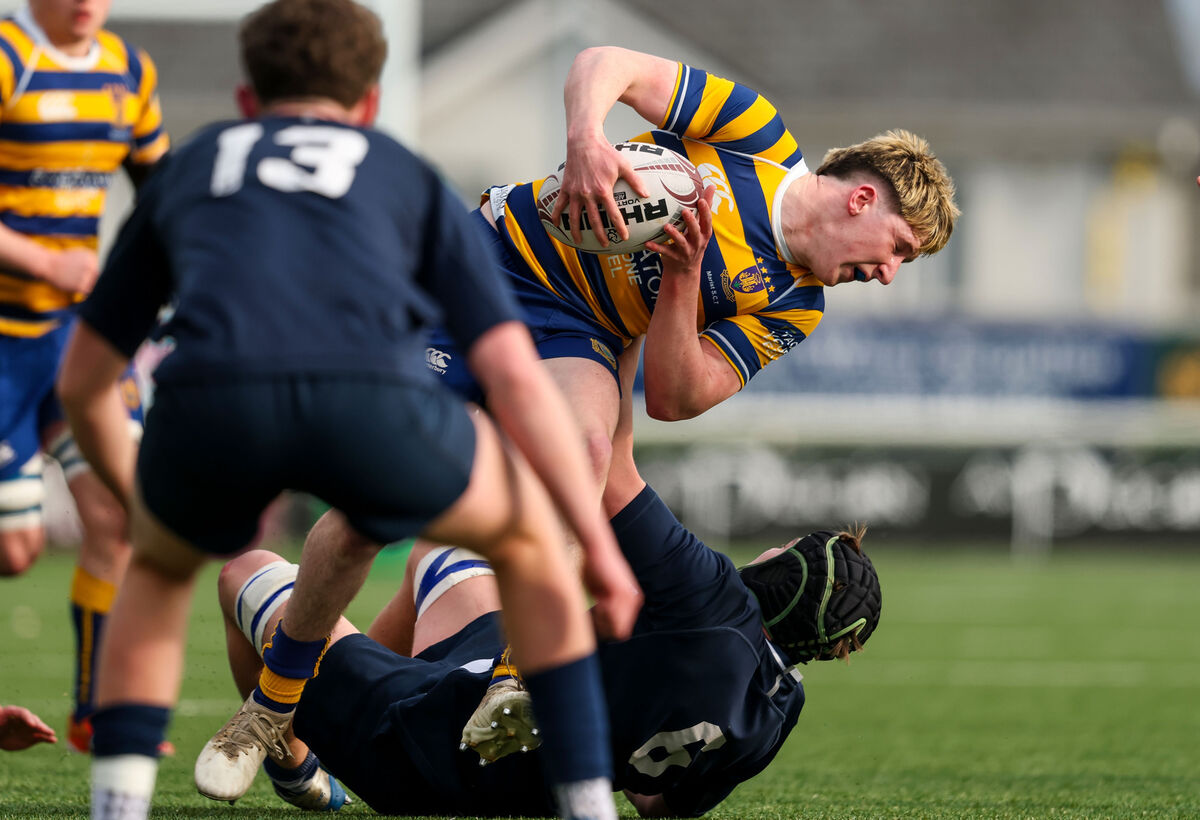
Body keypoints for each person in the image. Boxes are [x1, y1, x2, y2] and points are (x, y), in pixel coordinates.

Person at [54, 2, 639, 819]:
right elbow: (511, 374)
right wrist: (601, 556)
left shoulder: (191, 165)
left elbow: (85, 380)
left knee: (156, 574)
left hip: (217, 400)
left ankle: (118, 806)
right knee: (533, 549)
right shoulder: (401, 171)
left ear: (247, 101)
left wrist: (139, 502)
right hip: (372, 403)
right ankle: (587, 807)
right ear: (368, 102)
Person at [428, 46, 960, 522]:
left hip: (582, 327)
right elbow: (602, 63)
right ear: (862, 200)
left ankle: (526, 636)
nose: (887, 274)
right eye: (897, 249)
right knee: (381, 451)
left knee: (588, 454)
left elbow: (674, 400)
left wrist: (683, 279)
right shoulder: (757, 135)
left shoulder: (796, 305)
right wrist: (587, 139)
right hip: (503, 252)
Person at [212, 478, 882, 817]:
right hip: (512, 740)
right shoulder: (778, 709)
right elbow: (657, 804)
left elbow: (604, 462)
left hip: (426, 743)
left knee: (242, 572)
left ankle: (294, 757)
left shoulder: (712, 596)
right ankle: (343, 688)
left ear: (782, 572)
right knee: (440, 553)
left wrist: (615, 326)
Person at [0, 0, 169, 753]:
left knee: (120, 515)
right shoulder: (7, 56)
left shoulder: (128, 73)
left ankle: (95, 712)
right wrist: (41, 261)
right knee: (17, 550)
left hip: (76, 340)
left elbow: (163, 193)